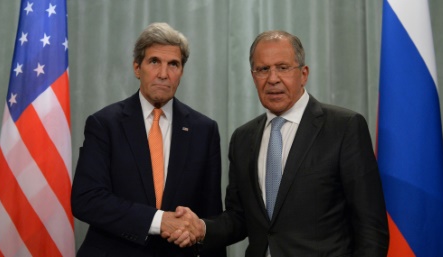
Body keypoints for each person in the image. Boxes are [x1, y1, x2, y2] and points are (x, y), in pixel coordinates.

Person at [166, 30, 389, 256]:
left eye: (283, 67)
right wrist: (201, 228)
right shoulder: (243, 138)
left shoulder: (344, 128)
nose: (273, 79)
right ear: (254, 76)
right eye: (263, 69)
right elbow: (240, 218)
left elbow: (371, 228)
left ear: (303, 74)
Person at [71, 22, 226, 257]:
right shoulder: (104, 124)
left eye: (173, 64)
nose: (163, 74)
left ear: (181, 71)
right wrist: (159, 221)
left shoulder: (204, 129)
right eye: (154, 62)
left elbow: (210, 217)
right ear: (137, 67)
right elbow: (87, 199)